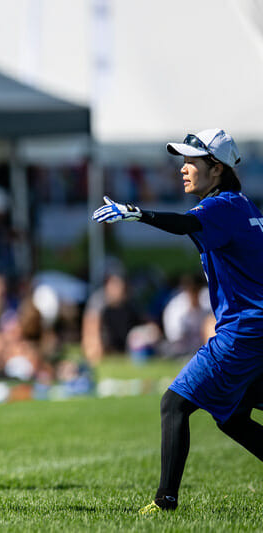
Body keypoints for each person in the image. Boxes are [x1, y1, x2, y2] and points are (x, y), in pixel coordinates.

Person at [92, 128, 263, 513]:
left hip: (245, 331)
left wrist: (138, 213)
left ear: (216, 169)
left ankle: (164, 502)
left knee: (174, 403)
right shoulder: (244, 207)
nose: (183, 169)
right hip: (256, 329)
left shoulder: (221, 207)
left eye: (192, 162)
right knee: (233, 416)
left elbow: (186, 224)